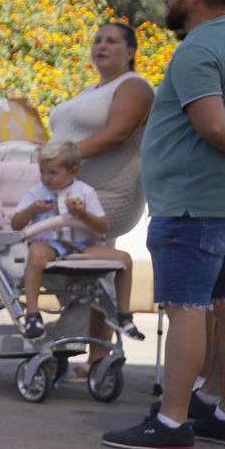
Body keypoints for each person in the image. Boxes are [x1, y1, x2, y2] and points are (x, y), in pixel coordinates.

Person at [102, 0, 225, 449]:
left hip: (195, 204)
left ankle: (172, 421)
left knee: (187, 310)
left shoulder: (199, 48)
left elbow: (214, 125)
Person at [47, 21, 156, 370]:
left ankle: (88, 344)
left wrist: (61, 156)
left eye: (112, 41)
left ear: (131, 52)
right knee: (86, 265)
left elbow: (118, 134)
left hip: (108, 193)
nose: (101, 46)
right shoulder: (92, 90)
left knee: (58, 252)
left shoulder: (134, 86)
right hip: (76, 192)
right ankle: (94, 351)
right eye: (96, 40)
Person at [9, 139, 141, 342]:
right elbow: (16, 224)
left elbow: (102, 227)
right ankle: (33, 315)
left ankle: (123, 314)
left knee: (125, 260)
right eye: (43, 172)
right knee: (36, 253)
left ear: (73, 172)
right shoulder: (37, 193)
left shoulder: (84, 192)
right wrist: (32, 210)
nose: (46, 178)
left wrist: (82, 214)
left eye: (52, 173)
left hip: (81, 246)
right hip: (50, 243)